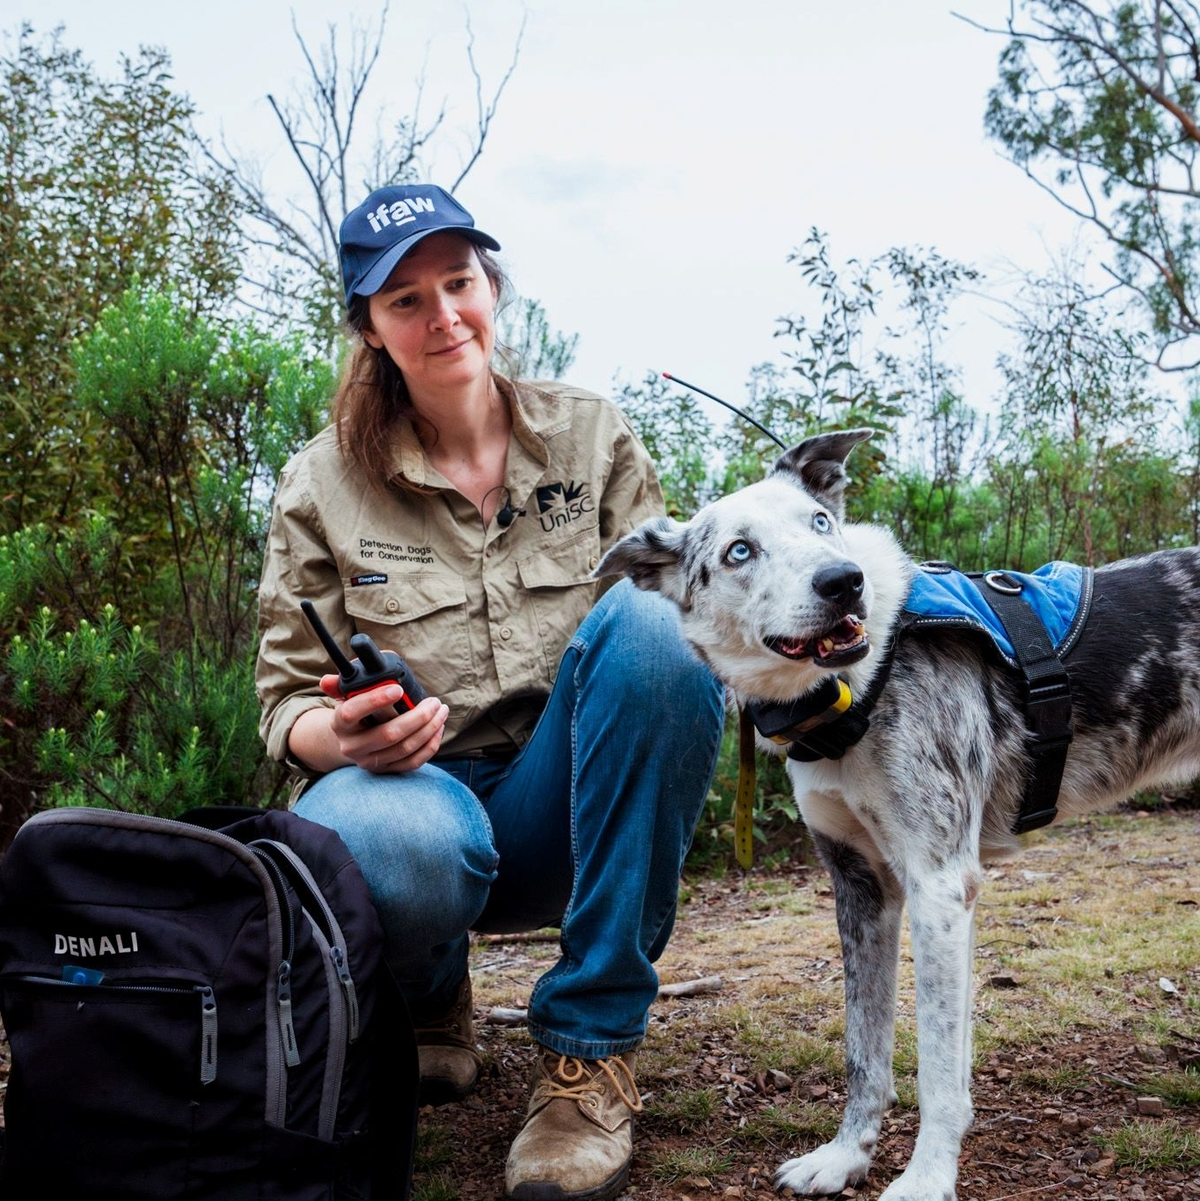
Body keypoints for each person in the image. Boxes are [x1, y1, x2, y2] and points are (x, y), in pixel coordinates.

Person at [254, 183, 725, 1201]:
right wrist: (342, 737)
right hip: (415, 804)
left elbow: (678, 648)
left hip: (568, 806)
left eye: (458, 283)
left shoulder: (594, 437)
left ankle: (589, 1054)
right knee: (390, 838)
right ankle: (428, 1001)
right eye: (406, 300)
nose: (443, 316)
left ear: (492, 287)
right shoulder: (317, 483)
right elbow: (285, 706)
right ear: (369, 330)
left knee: (659, 623)